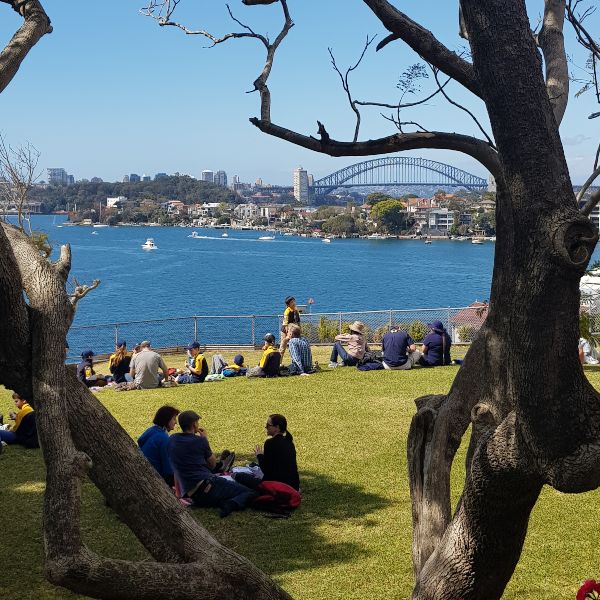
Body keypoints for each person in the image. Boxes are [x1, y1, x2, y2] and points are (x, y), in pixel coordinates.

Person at [168, 410, 257, 517]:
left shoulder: (172, 440)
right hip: (208, 486)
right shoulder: (200, 441)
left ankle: (223, 498)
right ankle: (231, 503)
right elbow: (212, 465)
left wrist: (178, 494)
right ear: (194, 424)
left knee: (226, 490)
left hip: (194, 495)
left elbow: (176, 469)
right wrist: (205, 439)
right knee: (251, 492)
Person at [235, 414, 300, 491]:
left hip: (276, 487)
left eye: (268, 425)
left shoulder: (270, 443)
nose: (266, 427)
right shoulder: (289, 441)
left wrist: (259, 455)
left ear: (277, 428)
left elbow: (267, 470)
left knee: (238, 476)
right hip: (293, 486)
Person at [138, 405, 180, 487]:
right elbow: (168, 470)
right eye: (174, 419)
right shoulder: (163, 438)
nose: (176, 422)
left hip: (144, 473)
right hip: (155, 479)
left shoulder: (152, 430)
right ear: (166, 419)